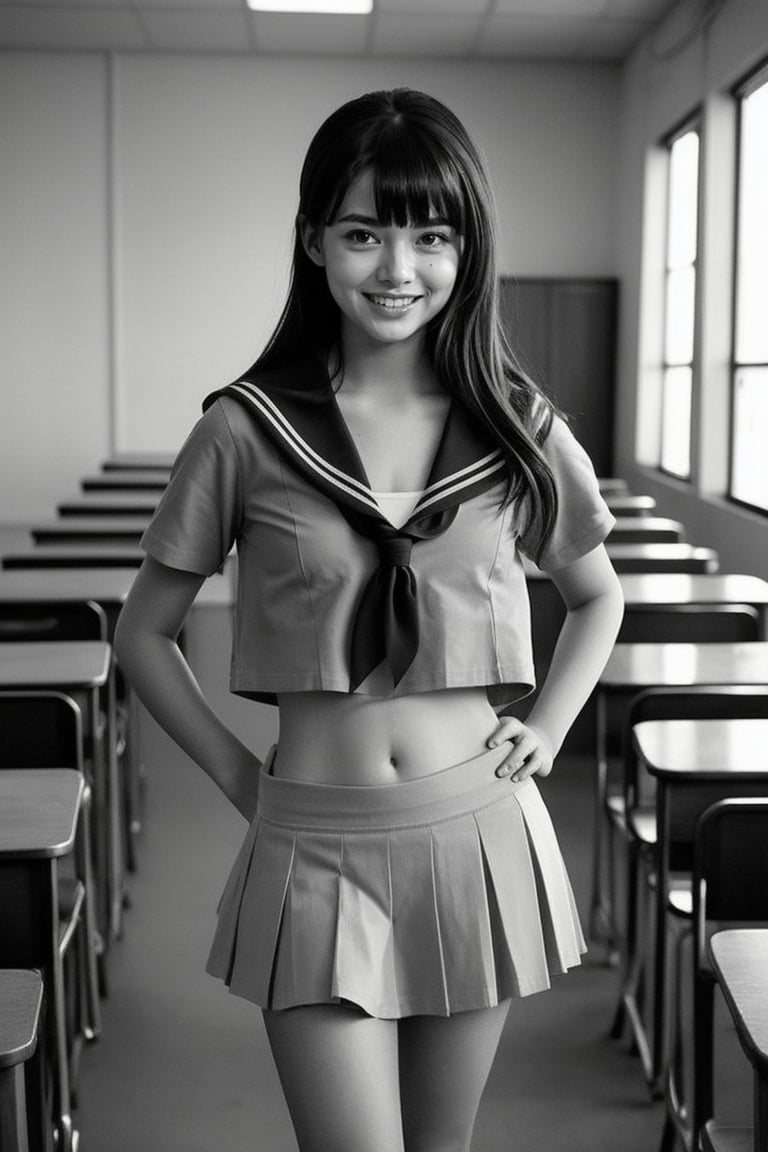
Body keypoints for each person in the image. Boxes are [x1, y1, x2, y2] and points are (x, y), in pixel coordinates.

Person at [115, 87, 624, 1152]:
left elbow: (595, 593)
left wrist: (552, 726)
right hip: (316, 843)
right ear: (313, 243)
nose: (398, 269)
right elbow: (144, 635)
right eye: (364, 233)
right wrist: (237, 774)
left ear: (466, 248)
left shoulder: (519, 425)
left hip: (477, 834)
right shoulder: (245, 430)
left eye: (430, 236)